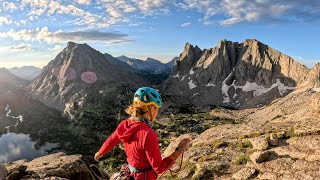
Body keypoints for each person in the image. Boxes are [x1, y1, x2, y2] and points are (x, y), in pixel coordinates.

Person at [94, 87, 191, 180]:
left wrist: (100, 152)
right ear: (152, 109)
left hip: (130, 173)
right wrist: (179, 150)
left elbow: (112, 139)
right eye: (157, 109)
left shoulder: (124, 124)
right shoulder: (148, 134)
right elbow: (159, 168)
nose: (157, 112)